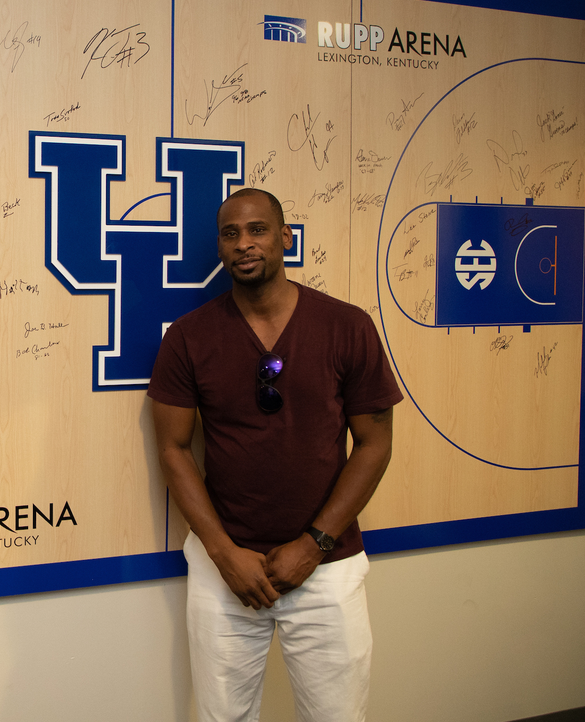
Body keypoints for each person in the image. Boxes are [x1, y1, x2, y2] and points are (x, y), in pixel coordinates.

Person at [148, 187, 402, 722]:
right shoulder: (190, 338)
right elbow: (172, 449)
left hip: (327, 566)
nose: (244, 244)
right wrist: (222, 553)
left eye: (258, 229)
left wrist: (313, 545)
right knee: (224, 718)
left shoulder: (347, 326)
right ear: (219, 247)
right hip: (226, 571)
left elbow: (375, 444)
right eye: (230, 233)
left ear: (285, 236)